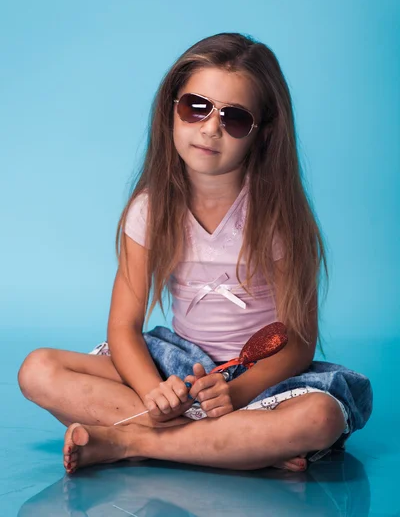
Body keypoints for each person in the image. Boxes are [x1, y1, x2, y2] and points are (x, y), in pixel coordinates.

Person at [18, 33, 372, 475]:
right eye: (196, 107)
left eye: (235, 119)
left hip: (257, 382)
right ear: (172, 109)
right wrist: (153, 392)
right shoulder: (149, 209)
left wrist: (237, 395)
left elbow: (298, 343)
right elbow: (123, 327)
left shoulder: (276, 220)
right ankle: (238, 446)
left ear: (261, 133)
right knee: (38, 369)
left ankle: (129, 441)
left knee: (319, 417)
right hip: (176, 369)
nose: (209, 128)